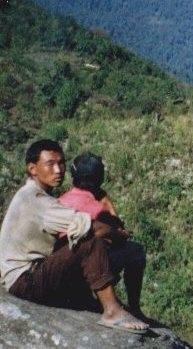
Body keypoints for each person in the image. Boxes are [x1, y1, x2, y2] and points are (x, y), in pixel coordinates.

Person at [0, 139, 148, 334]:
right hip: (26, 280)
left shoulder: (34, 194)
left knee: (87, 241)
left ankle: (98, 302)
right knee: (90, 239)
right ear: (32, 168)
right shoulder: (36, 200)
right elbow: (91, 227)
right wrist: (117, 234)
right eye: (50, 164)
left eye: (61, 163)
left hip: (32, 273)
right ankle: (112, 311)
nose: (58, 170)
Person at [58, 152, 146, 319]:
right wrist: (106, 200)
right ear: (99, 179)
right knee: (135, 251)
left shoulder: (62, 200)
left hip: (64, 269)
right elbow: (120, 232)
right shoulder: (98, 208)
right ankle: (134, 307)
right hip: (86, 270)